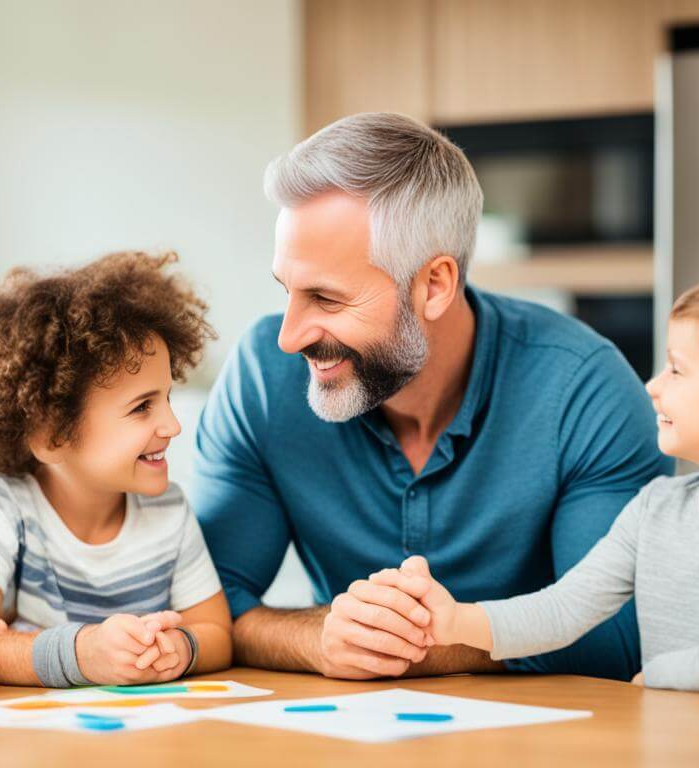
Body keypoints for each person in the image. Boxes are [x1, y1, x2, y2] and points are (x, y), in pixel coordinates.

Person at [192, 112, 672, 681]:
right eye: (288, 291)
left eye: (326, 297)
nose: (289, 336)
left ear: (435, 285)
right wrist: (319, 640)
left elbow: (617, 632)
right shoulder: (263, 377)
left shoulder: (584, 388)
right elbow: (206, 609)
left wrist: (423, 645)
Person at [370, 277, 699, 722]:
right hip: (698, 745)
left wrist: (649, 676)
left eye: (677, 371)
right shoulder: (657, 508)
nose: (653, 388)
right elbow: (564, 610)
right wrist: (455, 620)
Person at [0, 251, 232, 688]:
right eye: (142, 407)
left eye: (167, 398)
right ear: (53, 434)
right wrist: (79, 655)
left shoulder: (169, 511)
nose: (172, 425)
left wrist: (180, 648)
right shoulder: (3, 507)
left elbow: (219, 634)